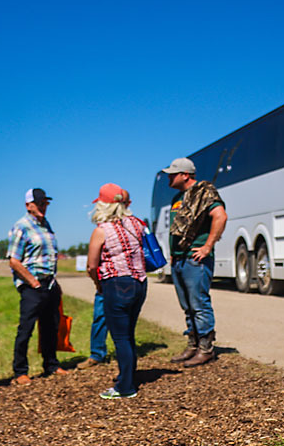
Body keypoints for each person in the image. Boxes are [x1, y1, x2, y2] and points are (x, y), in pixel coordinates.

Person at [163, 157, 228, 367]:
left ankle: (206, 349)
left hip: (195, 259)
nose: (169, 177)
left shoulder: (205, 193)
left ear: (185, 175)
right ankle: (192, 345)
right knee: (187, 306)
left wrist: (207, 246)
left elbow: (221, 216)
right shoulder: (176, 198)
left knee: (199, 304)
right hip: (179, 259)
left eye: (172, 174)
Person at [86, 183, 148, 398]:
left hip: (117, 284)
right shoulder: (137, 224)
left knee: (120, 337)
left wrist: (98, 284)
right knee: (129, 333)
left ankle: (125, 387)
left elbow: (92, 266)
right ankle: (129, 376)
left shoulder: (102, 231)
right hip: (140, 282)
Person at [7, 188, 68, 386]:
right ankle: (20, 370)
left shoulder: (45, 225)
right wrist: (32, 282)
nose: (43, 206)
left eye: (45, 203)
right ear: (28, 205)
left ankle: (51, 364)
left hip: (49, 283)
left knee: (51, 326)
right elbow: (14, 261)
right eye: (39, 203)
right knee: (26, 328)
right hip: (32, 285)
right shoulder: (21, 227)